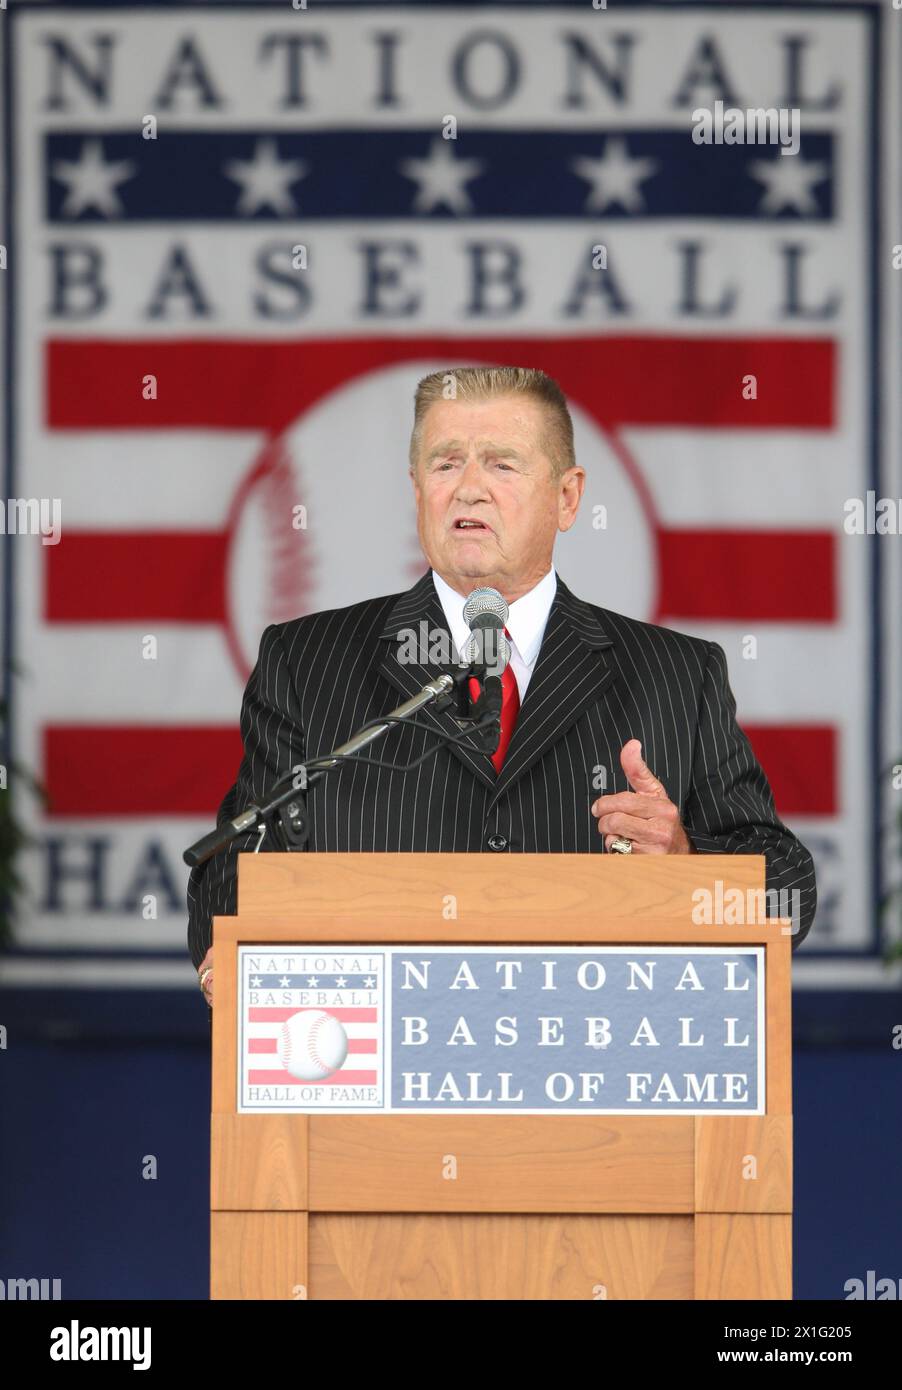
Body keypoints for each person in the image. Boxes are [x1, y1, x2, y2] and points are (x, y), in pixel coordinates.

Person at [189, 365, 817, 1010]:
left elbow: (787, 890)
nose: (469, 490)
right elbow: (231, 875)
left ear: (568, 498)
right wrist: (235, 957)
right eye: (445, 464)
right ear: (416, 491)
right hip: (376, 1073)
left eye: (502, 465)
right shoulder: (307, 661)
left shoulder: (679, 674)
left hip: (599, 1071)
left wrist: (687, 865)